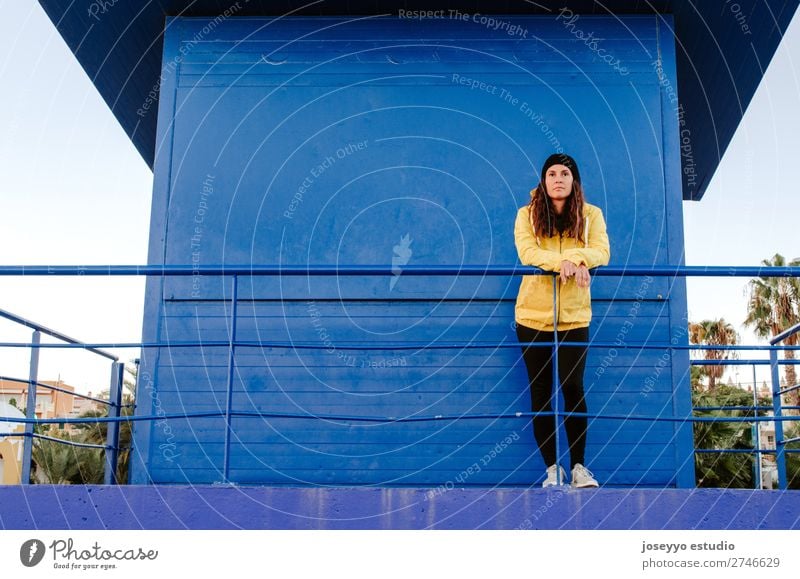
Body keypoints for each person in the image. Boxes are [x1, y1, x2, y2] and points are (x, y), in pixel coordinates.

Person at [514, 153, 610, 488]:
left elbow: (602, 251)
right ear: (544, 180)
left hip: (574, 316)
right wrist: (563, 264)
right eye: (552, 173)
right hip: (532, 316)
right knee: (541, 394)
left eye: (565, 173)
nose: (558, 178)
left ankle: (579, 467)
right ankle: (553, 469)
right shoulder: (526, 215)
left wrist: (575, 256)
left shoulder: (590, 215)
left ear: (574, 180)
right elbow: (528, 253)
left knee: (572, 387)